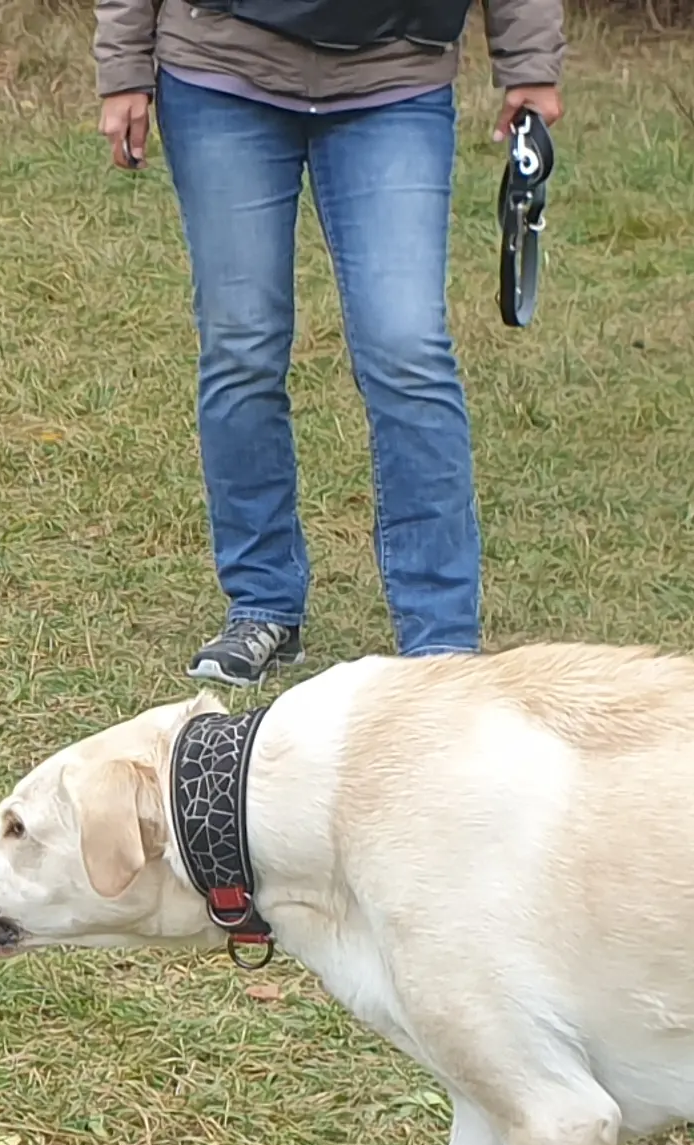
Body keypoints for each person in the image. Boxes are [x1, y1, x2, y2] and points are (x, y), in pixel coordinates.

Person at [95, 0, 563, 683]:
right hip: (222, 70)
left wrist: (529, 62)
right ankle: (263, 606)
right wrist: (123, 66)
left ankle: (441, 642)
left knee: (408, 350)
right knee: (242, 349)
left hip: (395, 81)